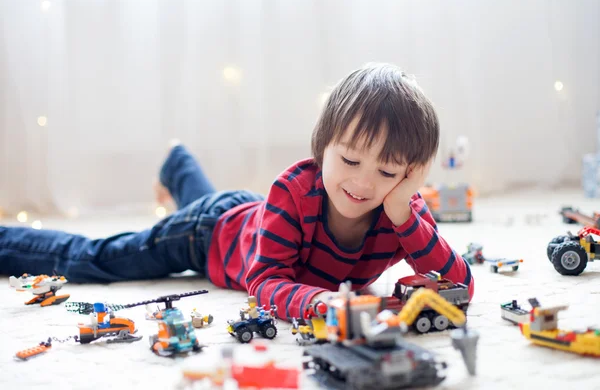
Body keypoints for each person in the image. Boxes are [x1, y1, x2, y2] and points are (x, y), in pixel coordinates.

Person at [0, 62, 474, 321]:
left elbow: (461, 286)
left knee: (214, 199)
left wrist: (404, 213)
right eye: (349, 161)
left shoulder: (401, 209)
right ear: (322, 146)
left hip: (249, 216)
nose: (364, 182)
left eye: (388, 171)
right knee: (95, 259)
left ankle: (179, 163)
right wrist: (315, 301)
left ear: (410, 173)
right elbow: (264, 282)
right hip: (207, 234)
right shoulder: (294, 190)